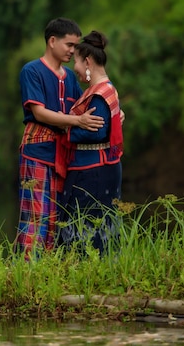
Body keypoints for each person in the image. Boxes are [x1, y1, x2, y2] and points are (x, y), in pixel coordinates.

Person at [15, 18, 105, 260]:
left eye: (76, 46)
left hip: (62, 153)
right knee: (35, 216)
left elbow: (86, 104)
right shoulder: (32, 70)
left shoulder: (69, 77)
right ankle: (25, 275)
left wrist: (112, 109)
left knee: (57, 218)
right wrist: (77, 121)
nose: (72, 51)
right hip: (37, 150)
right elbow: (39, 112)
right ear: (52, 41)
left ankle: (47, 275)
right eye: (69, 44)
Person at [56, 30, 123, 256]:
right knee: (95, 222)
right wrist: (77, 123)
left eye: (75, 60)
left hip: (93, 170)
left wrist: (66, 127)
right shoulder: (104, 89)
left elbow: (97, 131)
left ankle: (89, 274)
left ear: (87, 61)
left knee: (87, 222)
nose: (73, 67)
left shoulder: (99, 94)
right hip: (98, 167)